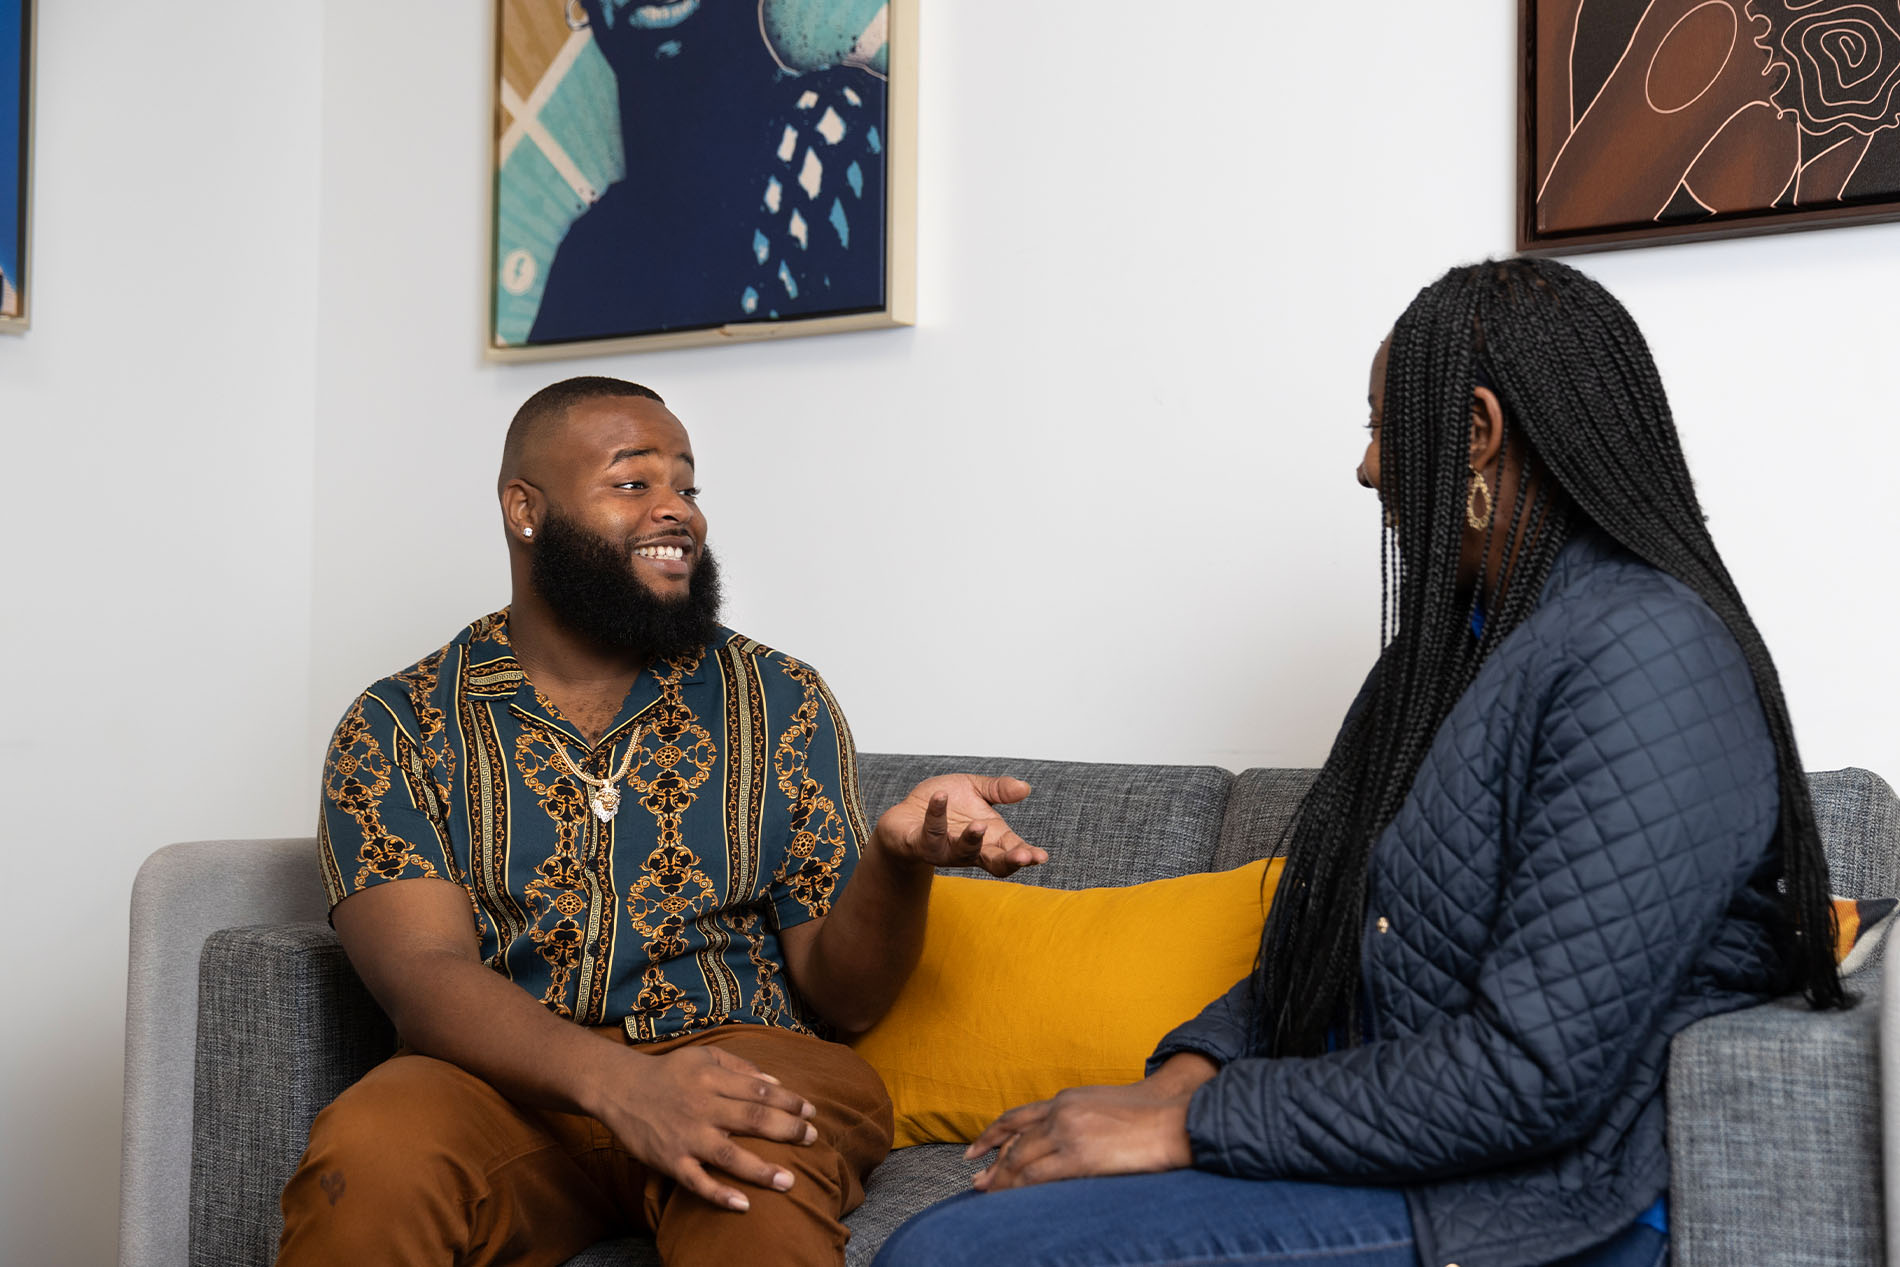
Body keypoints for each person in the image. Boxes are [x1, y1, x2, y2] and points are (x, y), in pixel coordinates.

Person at [875, 257, 1848, 1267]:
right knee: (950, 1230)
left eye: (1383, 424)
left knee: (953, 1256)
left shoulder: (1647, 655)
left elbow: (1526, 1076)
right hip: (1399, 1151)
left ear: (1475, 432)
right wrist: (1185, 1074)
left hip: (1527, 1207)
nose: (1368, 467)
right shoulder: (1464, 654)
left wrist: (1190, 1126)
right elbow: (1332, 942)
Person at [276, 376, 1045, 1267]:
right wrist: (624, 1086)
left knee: (755, 1171)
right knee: (370, 1150)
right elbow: (422, 975)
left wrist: (898, 861)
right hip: (500, 1087)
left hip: (746, 1055)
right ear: (525, 509)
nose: (677, 510)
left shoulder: (776, 698)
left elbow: (848, 996)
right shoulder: (399, 722)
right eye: (634, 483)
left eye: (688, 485)